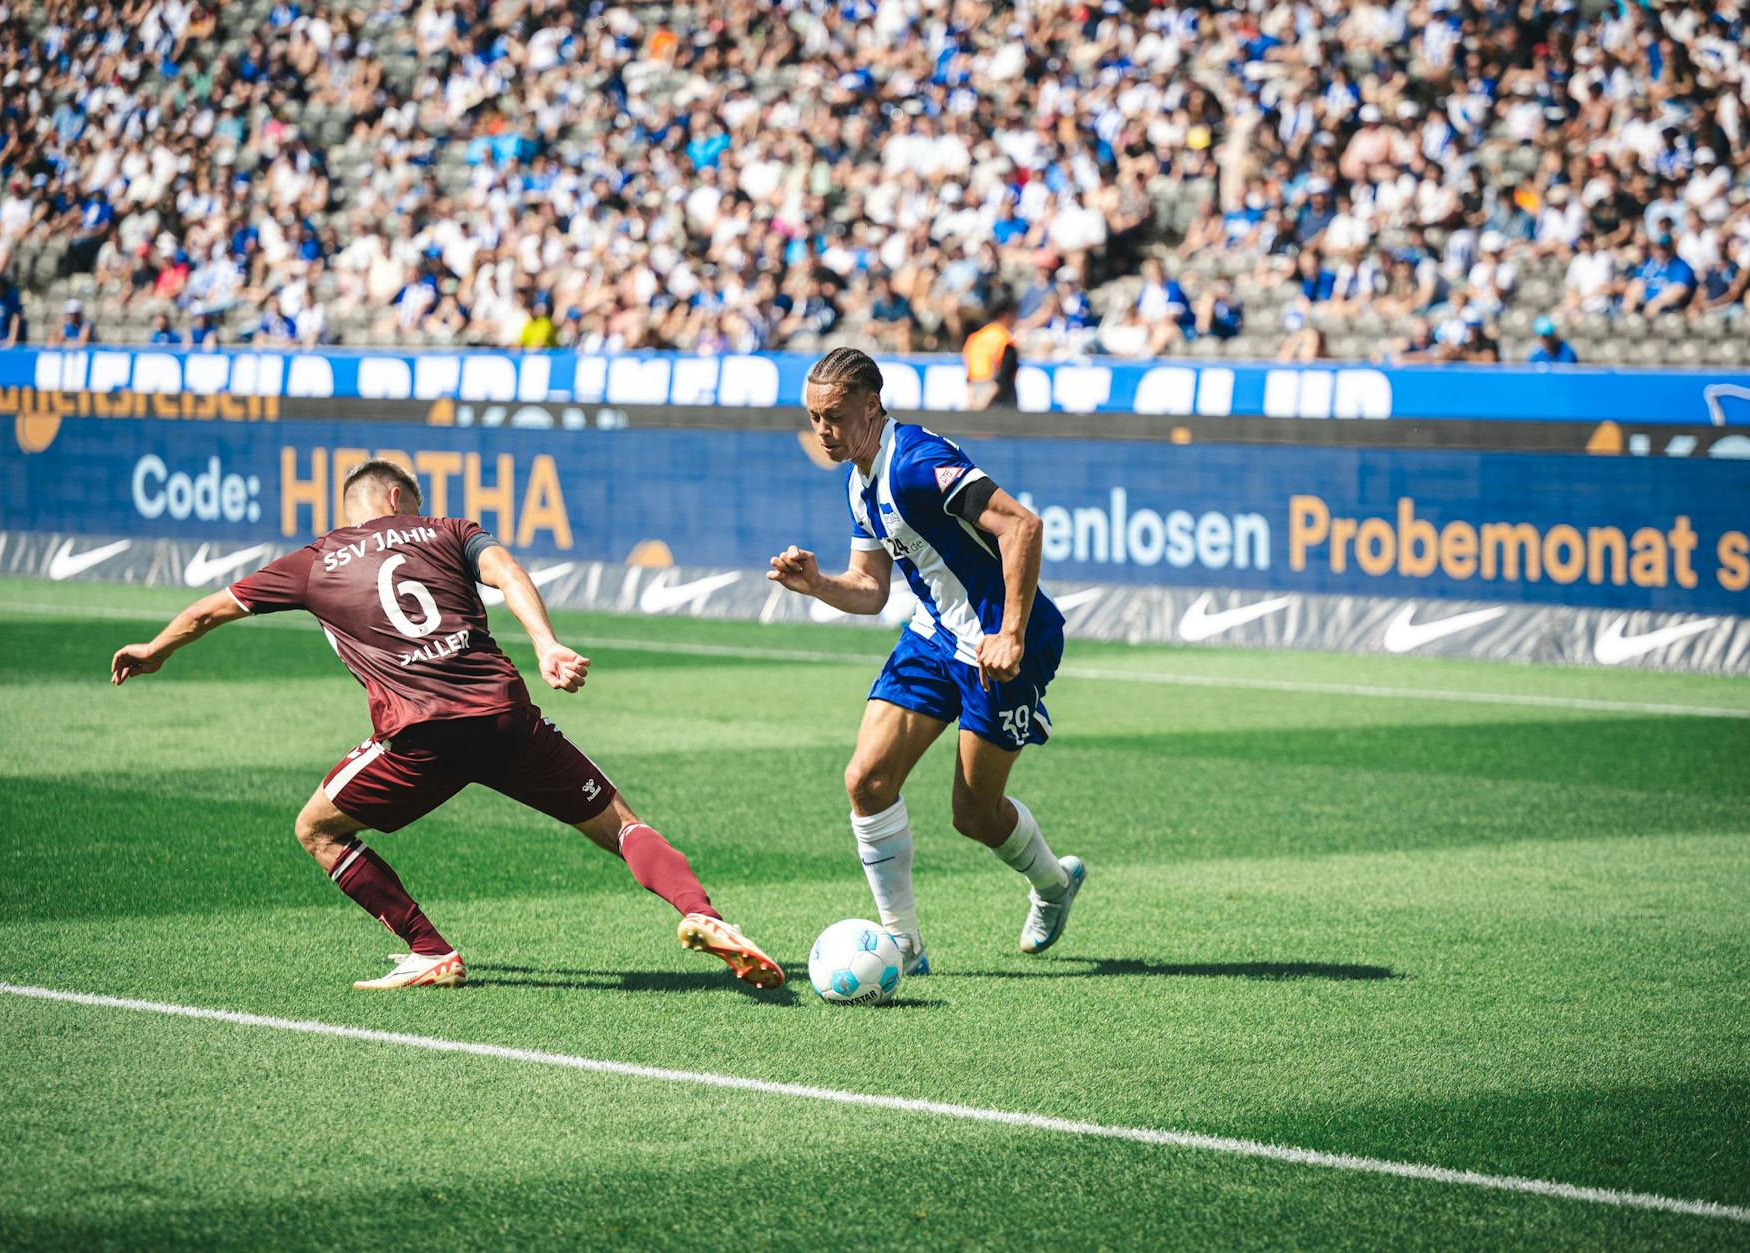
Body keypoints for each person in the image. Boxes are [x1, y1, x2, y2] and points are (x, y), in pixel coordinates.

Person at [110, 459, 784, 992]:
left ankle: (429, 949)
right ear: (400, 499)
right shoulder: (451, 530)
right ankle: (706, 914)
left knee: (315, 828)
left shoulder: (315, 562)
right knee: (623, 825)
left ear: (354, 507)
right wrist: (548, 645)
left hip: (421, 736)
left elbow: (206, 612)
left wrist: (154, 650)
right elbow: (510, 573)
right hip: (504, 718)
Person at [766, 348, 1085, 972]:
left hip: (1001, 650)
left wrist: (1011, 633)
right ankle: (904, 946)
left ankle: (1052, 884)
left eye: (834, 415)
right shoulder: (858, 480)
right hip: (935, 636)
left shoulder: (916, 463)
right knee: (866, 780)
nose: (823, 431)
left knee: (974, 815)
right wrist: (818, 585)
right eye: (813, 418)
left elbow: (1022, 527)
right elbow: (871, 587)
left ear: (872, 405)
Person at [962, 297, 1018, 409]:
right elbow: (1003, 376)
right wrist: (983, 403)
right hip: (999, 399)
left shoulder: (975, 338)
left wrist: (972, 403)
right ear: (1005, 315)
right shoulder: (1005, 339)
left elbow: (969, 374)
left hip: (976, 393)